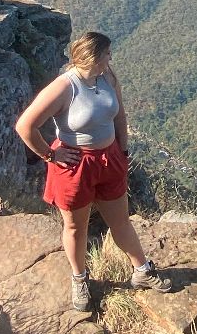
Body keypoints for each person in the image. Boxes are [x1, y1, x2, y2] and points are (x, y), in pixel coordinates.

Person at [15, 30, 171, 311]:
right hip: (75, 166)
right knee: (76, 226)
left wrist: (122, 152)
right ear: (92, 57)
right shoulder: (64, 87)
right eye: (106, 54)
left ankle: (142, 270)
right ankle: (79, 278)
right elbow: (25, 126)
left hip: (110, 160)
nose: (111, 58)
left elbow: (120, 115)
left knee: (121, 220)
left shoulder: (108, 77)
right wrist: (50, 154)